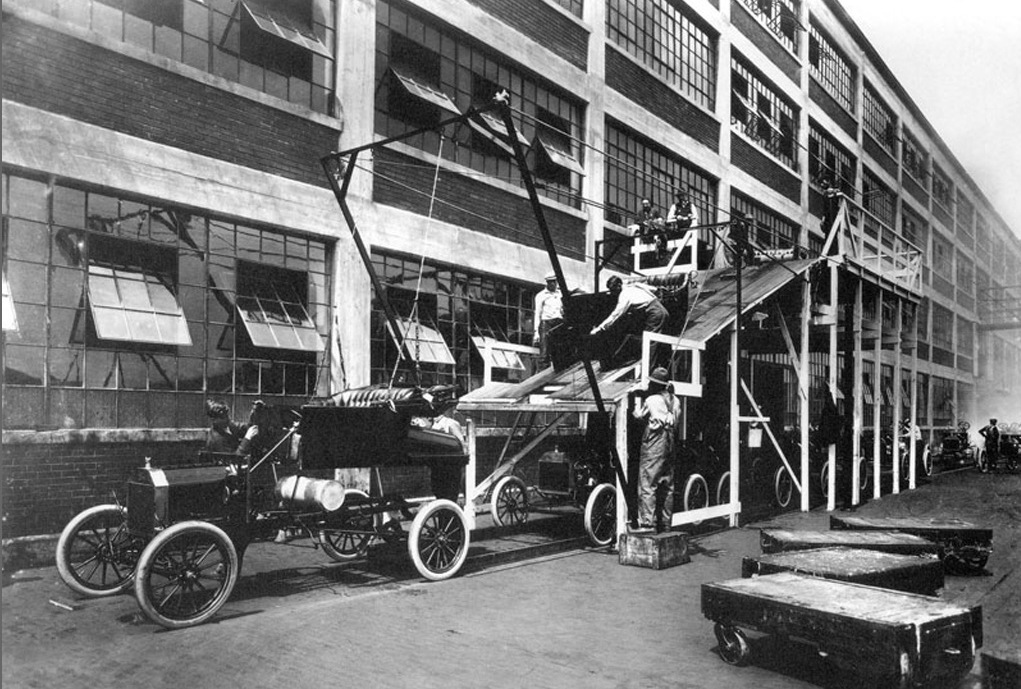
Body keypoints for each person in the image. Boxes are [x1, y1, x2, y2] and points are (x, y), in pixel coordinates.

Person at [632, 366, 681, 533]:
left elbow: (639, 415)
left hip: (655, 441)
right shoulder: (676, 401)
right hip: (670, 441)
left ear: (654, 384)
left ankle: (647, 524)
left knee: (648, 483)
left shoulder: (652, 400)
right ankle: (666, 524)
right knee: (667, 484)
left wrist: (637, 401)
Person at [590, 276, 668, 338]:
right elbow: (654, 290)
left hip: (655, 313)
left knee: (649, 340)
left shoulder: (625, 294)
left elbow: (616, 314)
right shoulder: (633, 286)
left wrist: (600, 328)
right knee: (661, 340)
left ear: (619, 286)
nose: (612, 293)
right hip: (661, 309)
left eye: (613, 290)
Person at [533, 273, 564, 368]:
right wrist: (536, 332)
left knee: (560, 349)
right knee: (544, 351)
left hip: (559, 322)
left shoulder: (560, 293)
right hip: (546, 323)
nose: (552, 284)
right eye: (550, 282)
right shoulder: (541, 295)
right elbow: (537, 313)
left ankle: (560, 369)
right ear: (547, 283)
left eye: (554, 281)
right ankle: (542, 370)